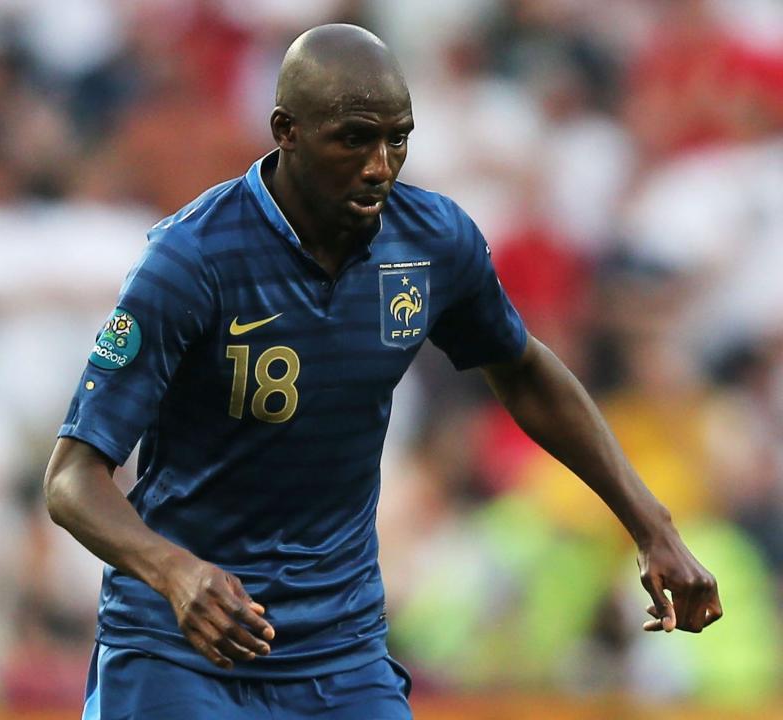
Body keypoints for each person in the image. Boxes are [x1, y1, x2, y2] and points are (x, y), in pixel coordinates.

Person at [44, 24, 722, 720]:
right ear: (287, 131)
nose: (380, 165)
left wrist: (652, 525)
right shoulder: (193, 261)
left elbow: (520, 369)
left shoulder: (430, 241)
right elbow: (70, 478)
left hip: (339, 652)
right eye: (354, 139)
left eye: (398, 138)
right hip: (181, 648)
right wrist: (174, 572)